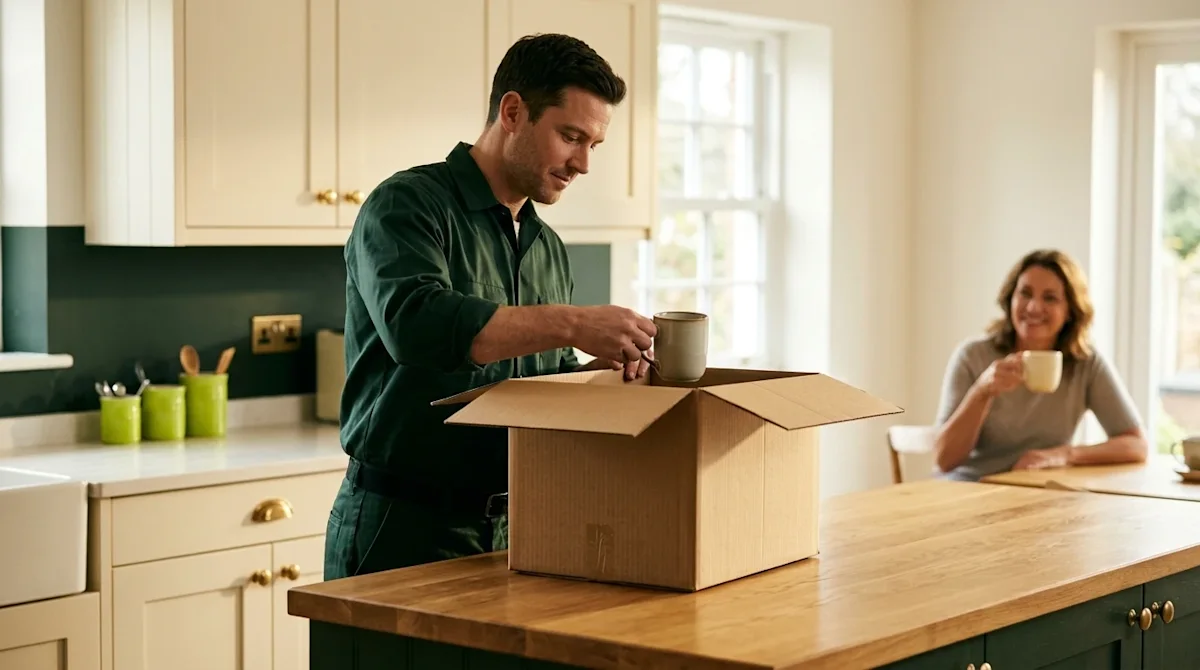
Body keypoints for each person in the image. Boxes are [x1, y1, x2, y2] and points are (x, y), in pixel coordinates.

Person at [324, 33, 656, 586]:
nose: (582, 163)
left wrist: (595, 378)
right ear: (512, 111)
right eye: (570, 136)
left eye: (593, 145)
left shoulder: (547, 247)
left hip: (516, 526)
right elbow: (419, 325)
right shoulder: (407, 205)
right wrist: (575, 322)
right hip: (400, 524)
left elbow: (529, 384)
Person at [933, 249, 1148, 481]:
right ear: (1010, 299)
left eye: (1050, 298)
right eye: (1025, 293)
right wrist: (983, 391)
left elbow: (1137, 446)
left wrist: (1065, 454)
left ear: (1069, 311)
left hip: (1036, 494)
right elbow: (944, 460)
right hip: (968, 491)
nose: (1034, 307)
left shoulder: (1084, 363)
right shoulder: (972, 356)